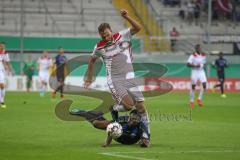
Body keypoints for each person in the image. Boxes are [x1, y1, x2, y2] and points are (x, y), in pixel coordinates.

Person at [84, 9, 150, 147]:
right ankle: (114, 108)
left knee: (141, 107)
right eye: (103, 36)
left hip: (130, 78)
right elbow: (91, 61)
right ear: (100, 36)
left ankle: (145, 137)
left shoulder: (122, 36)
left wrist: (127, 17)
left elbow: (138, 28)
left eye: (107, 34)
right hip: (115, 80)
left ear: (111, 31)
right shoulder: (99, 47)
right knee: (128, 106)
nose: (106, 38)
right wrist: (89, 78)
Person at [70, 108, 144, 147]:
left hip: (128, 140)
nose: (132, 120)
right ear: (129, 117)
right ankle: (83, 113)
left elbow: (145, 137)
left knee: (98, 121)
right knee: (96, 123)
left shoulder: (141, 126)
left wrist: (143, 141)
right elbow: (112, 128)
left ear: (139, 120)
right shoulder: (122, 120)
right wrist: (107, 143)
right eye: (131, 118)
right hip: (116, 131)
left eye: (135, 119)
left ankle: (98, 115)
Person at [0, 42, 14, 108]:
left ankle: (2, 101)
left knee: (2, 85)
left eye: (3, 46)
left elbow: (8, 62)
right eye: (1, 46)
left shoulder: (5, 53)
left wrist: (11, 70)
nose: (2, 47)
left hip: (1, 71)